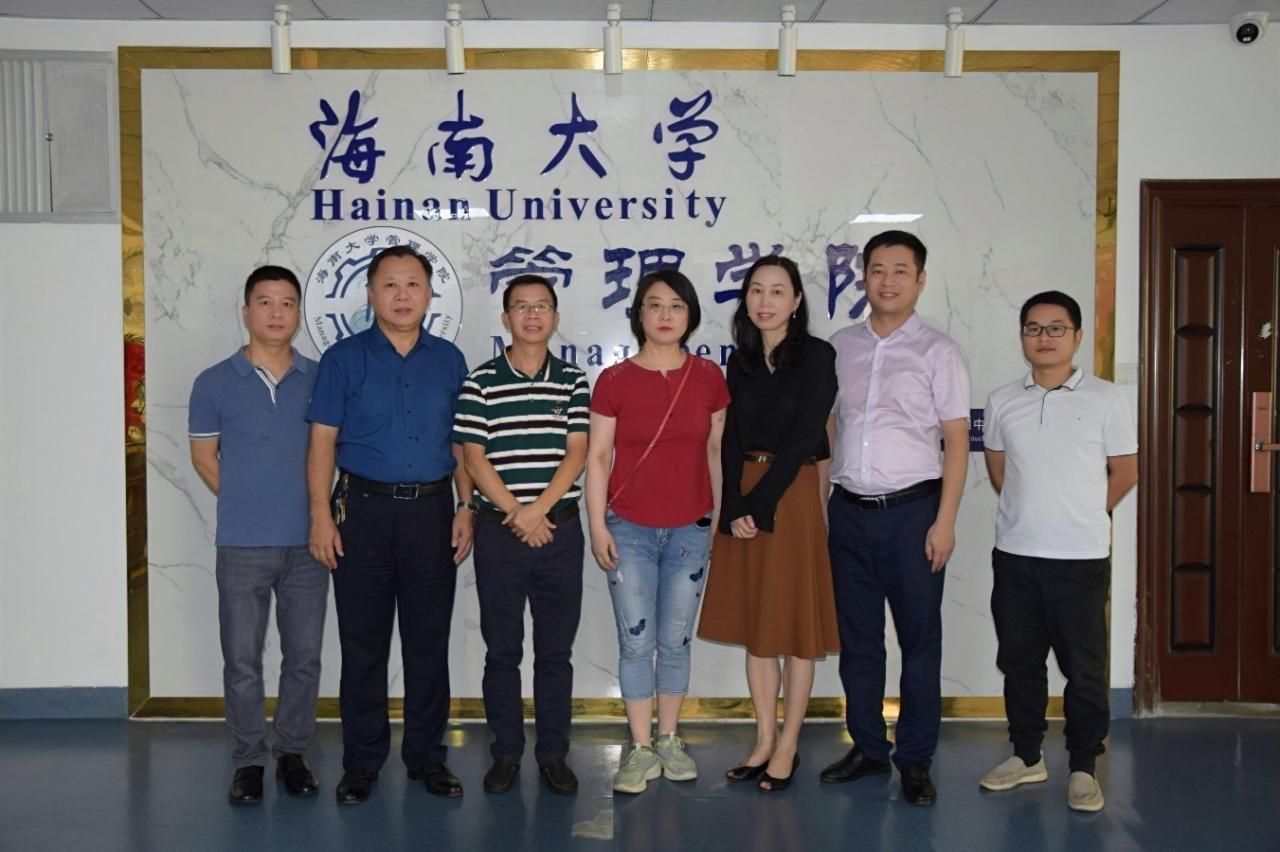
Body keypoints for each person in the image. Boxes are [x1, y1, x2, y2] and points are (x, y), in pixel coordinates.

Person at [306, 245, 475, 804]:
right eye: (390, 285)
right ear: (370, 293)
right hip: (362, 512)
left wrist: (466, 506)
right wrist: (320, 515)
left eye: (413, 285)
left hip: (432, 512)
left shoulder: (449, 360)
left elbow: (462, 443)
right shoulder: (343, 359)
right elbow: (322, 442)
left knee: (428, 642)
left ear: (429, 293)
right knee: (363, 645)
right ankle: (361, 763)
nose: (402, 296)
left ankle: (427, 757)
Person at [821, 230, 970, 806]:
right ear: (863, 276)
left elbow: (956, 440)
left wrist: (945, 521)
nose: (887, 281)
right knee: (859, 642)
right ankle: (867, 746)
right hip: (849, 513)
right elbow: (831, 427)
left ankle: (915, 759)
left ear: (920, 279)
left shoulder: (939, 352)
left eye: (900, 270)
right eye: (877, 269)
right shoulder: (840, 347)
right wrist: (823, 505)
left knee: (919, 642)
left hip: (913, 515)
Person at [978, 290, 1137, 812]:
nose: (1043, 338)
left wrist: (1084, 511)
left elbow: (1125, 471)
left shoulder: (1106, 398)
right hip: (1016, 555)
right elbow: (999, 468)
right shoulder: (1003, 400)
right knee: (1019, 662)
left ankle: (1084, 767)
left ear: (1077, 336)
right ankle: (1026, 756)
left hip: (1080, 559)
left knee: (1084, 670)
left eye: (1055, 328)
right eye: (1033, 328)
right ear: (1022, 336)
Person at [697, 255, 840, 792]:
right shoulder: (740, 361)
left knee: (795, 629)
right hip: (746, 495)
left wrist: (760, 504)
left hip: (791, 493)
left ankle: (788, 744)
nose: (765, 301)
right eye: (756, 290)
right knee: (758, 626)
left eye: (778, 291)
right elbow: (731, 438)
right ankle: (763, 738)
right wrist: (734, 504)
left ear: (796, 301)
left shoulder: (818, 356)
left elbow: (806, 435)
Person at [585, 269, 730, 795]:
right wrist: (597, 526)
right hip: (628, 529)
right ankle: (641, 746)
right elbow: (598, 458)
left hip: (691, 528)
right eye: (654, 304)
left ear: (690, 315)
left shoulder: (709, 377)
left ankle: (669, 738)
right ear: (638, 314)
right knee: (635, 641)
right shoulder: (614, 380)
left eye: (676, 305)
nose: (665, 315)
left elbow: (715, 453)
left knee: (675, 640)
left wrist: (716, 522)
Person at [188, 265, 328, 805]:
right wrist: (248, 499)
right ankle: (248, 760)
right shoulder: (213, 382)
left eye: (287, 303)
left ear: (299, 314)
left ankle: (292, 753)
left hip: (309, 543)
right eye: (265, 302)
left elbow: (332, 452)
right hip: (242, 544)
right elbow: (205, 458)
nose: (276, 312)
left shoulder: (320, 378)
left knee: (304, 656)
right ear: (246, 312)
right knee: (242, 659)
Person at [450, 274, 591, 796]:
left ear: (555, 317)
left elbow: (577, 452)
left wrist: (539, 512)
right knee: (502, 652)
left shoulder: (574, 380)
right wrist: (517, 513)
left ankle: (553, 754)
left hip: (560, 531)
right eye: (521, 307)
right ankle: (506, 753)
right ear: (506, 317)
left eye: (542, 306)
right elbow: (473, 457)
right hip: (500, 534)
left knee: (555, 653)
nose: (532, 315)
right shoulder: (480, 381)